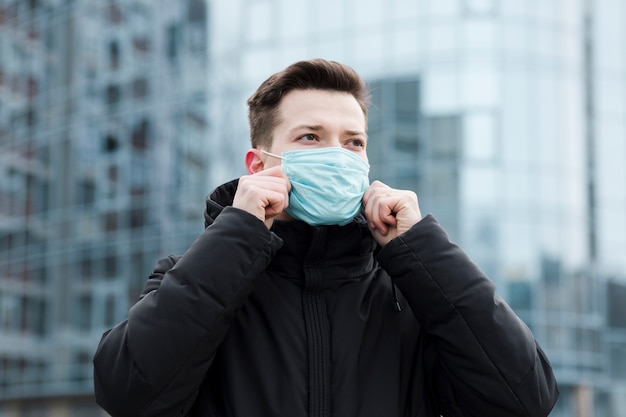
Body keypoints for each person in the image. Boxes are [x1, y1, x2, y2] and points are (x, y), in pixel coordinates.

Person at [93, 59, 559, 417]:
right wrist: (236, 233)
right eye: (311, 138)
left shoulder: (414, 291)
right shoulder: (190, 276)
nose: (338, 155)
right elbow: (130, 394)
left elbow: (525, 399)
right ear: (259, 165)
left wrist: (421, 249)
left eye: (353, 142)